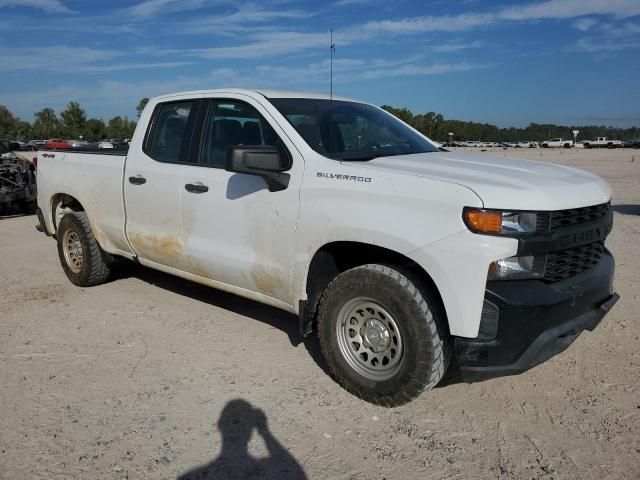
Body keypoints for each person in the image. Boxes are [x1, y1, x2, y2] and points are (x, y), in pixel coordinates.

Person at [178, 399, 307, 480]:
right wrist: (265, 433)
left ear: (219, 425)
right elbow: (296, 469)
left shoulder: (189, 475)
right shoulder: (272, 466)